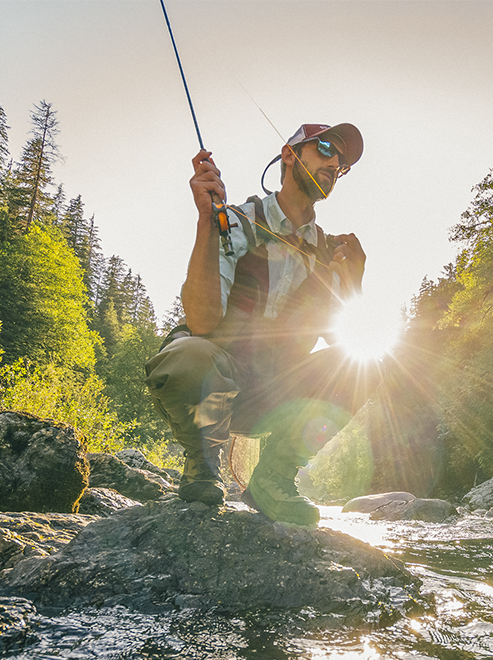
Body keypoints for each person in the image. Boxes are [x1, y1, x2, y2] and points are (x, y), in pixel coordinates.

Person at [145, 123, 381, 526]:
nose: (333, 163)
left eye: (341, 164)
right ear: (289, 155)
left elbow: (341, 344)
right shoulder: (234, 221)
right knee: (187, 355)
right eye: (325, 148)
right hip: (214, 383)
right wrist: (207, 220)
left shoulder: (329, 251)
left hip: (275, 395)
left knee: (366, 365)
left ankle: (272, 479)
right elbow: (201, 321)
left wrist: (354, 283)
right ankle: (203, 463)